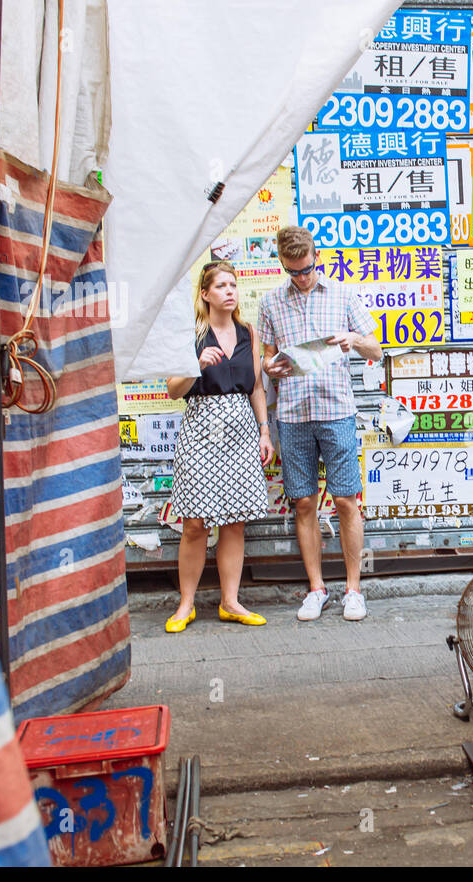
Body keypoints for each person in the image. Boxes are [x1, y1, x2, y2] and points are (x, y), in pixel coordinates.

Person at [259, 226, 383, 622]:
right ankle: (316, 589)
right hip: (292, 414)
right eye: (294, 272)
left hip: (337, 411)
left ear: (317, 257)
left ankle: (353, 590)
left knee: (347, 500)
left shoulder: (344, 295)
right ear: (282, 264)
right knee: (304, 503)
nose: (302, 277)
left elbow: (376, 350)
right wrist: (269, 365)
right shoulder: (270, 302)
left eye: (307, 269)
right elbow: (265, 359)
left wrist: (354, 340)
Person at [164, 262, 274, 633]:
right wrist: (195, 365)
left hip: (241, 429)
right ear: (205, 294)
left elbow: (257, 386)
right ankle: (186, 605)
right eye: (222, 286)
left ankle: (230, 601)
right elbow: (173, 390)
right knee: (194, 522)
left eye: (234, 284)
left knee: (234, 521)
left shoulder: (248, 332)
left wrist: (264, 431)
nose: (230, 291)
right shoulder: (192, 334)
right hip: (200, 428)